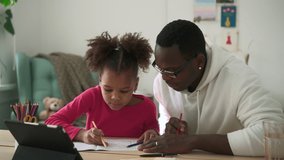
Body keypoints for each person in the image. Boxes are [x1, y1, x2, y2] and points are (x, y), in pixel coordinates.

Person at [138, 19, 284, 156]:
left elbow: (276, 135)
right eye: (159, 68)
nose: (164, 78)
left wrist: (192, 141)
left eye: (172, 71)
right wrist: (170, 132)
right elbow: (165, 116)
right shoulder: (161, 82)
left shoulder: (238, 78)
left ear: (199, 61)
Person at [45, 32, 159, 146]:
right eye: (108, 89)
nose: (115, 97)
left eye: (124, 90)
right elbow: (51, 121)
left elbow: (154, 132)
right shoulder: (92, 96)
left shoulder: (147, 107)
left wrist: (152, 133)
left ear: (136, 84)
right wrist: (82, 135)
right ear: (100, 80)